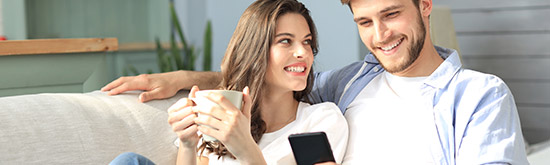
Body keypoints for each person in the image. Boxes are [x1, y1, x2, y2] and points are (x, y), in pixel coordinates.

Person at [104, 0, 528, 164]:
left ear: (425, 5)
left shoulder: (479, 95)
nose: (380, 35)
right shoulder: (350, 83)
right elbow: (275, 78)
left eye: (392, 14)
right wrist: (186, 80)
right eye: (365, 22)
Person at [109, 0, 348, 164]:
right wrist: (188, 144)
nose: (303, 53)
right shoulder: (222, 116)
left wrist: (246, 149)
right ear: (255, 51)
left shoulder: (321, 121)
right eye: (286, 41)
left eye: (307, 42)